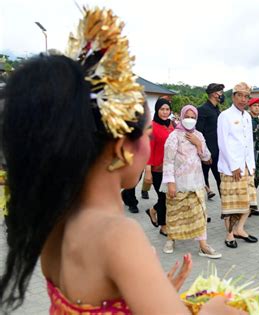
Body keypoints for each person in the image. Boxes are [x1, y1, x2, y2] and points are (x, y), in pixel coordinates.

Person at [0, 11, 238, 313]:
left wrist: (151, 295)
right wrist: (217, 306)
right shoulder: (118, 236)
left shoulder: (54, 222)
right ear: (121, 146)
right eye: (148, 133)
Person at [160, 105, 222, 259]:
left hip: (196, 181)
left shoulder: (199, 135)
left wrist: (198, 144)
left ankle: (203, 246)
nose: (190, 119)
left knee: (200, 214)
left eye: (193, 117)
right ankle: (171, 239)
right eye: (187, 116)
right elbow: (167, 161)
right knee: (175, 212)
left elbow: (207, 158)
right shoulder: (174, 136)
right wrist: (170, 183)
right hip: (178, 182)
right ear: (181, 117)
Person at [217, 82, 258, 249]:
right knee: (232, 204)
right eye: (239, 95)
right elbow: (223, 143)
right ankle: (229, 235)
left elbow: (249, 143)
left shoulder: (247, 116)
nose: (243, 99)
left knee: (247, 201)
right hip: (231, 168)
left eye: (246, 96)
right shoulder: (225, 116)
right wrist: (234, 165)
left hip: (247, 166)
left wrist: (252, 165)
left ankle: (240, 229)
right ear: (233, 96)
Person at [145, 98, 174, 236]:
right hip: (157, 169)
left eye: (167, 109)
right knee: (163, 197)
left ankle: (153, 210)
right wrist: (148, 172)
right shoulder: (151, 126)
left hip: (171, 168)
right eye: (162, 109)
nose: (165, 112)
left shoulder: (172, 125)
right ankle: (163, 226)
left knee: (168, 197)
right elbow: (148, 150)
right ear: (157, 110)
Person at [196, 83, 225, 200]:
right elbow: (198, 133)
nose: (222, 95)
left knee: (221, 181)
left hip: (218, 152)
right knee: (202, 178)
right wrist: (204, 153)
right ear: (214, 94)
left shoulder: (218, 110)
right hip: (206, 152)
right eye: (221, 92)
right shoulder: (202, 110)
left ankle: (227, 209)